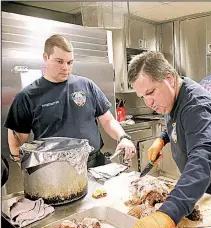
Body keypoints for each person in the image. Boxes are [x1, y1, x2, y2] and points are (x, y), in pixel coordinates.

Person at [125, 51, 211, 228]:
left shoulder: (196, 105)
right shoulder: (174, 95)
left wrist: (167, 214)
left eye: (151, 92)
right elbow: (174, 123)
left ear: (169, 79)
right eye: (143, 96)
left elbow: (203, 158)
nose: (149, 103)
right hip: (198, 185)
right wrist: (161, 139)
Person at [4, 34, 135, 168]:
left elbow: (108, 120)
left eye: (70, 62)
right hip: (55, 169)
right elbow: (17, 144)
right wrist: (31, 171)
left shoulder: (87, 85)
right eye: (59, 61)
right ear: (45, 57)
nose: (66, 67)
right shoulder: (27, 96)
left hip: (94, 164)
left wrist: (123, 137)